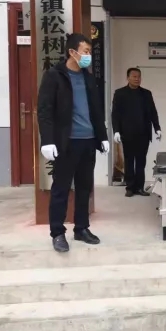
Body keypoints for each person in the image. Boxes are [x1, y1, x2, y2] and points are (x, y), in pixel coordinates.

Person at [37, 33, 110, 253]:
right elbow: (45, 111)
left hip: (88, 142)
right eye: (85, 51)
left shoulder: (88, 77)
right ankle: (57, 233)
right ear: (72, 52)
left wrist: (102, 136)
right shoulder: (54, 76)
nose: (88, 56)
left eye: (89, 51)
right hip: (66, 143)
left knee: (84, 188)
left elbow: (96, 110)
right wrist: (47, 140)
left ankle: (81, 228)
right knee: (61, 189)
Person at [112, 68, 161, 197]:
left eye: (139, 76)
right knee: (129, 161)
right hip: (127, 133)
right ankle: (130, 187)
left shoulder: (146, 94)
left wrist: (157, 128)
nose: (137, 79)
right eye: (134, 76)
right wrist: (116, 131)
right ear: (127, 78)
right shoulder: (120, 93)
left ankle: (139, 187)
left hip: (143, 134)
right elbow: (115, 114)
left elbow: (153, 112)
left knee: (141, 162)